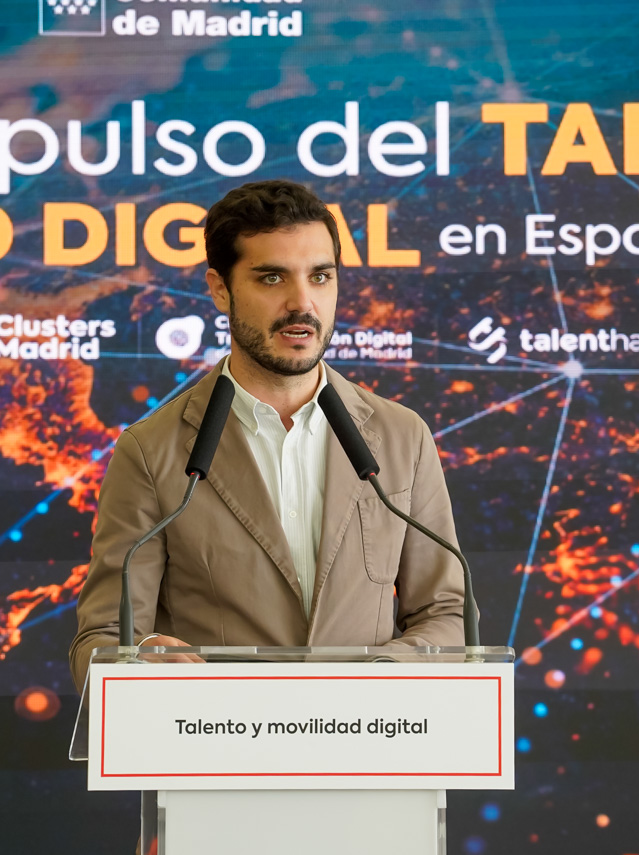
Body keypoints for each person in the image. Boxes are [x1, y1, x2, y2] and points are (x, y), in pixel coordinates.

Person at [69, 180, 465, 689]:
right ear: (220, 289)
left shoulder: (402, 436)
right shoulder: (150, 451)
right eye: (272, 278)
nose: (302, 303)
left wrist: (381, 681)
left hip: (369, 733)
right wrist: (140, 661)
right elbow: (102, 637)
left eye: (320, 276)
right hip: (217, 735)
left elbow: (447, 615)